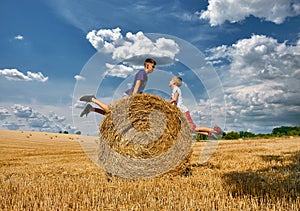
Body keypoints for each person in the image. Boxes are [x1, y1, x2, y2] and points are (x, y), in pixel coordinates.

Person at [79, 58, 157, 117]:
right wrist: (133, 100)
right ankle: (92, 99)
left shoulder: (145, 76)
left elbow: (140, 90)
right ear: (147, 65)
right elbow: (137, 86)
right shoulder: (142, 73)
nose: (153, 68)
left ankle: (91, 109)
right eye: (152, 66)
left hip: (131, 96)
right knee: (111, 111)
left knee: (113, 116)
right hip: (129, 96)